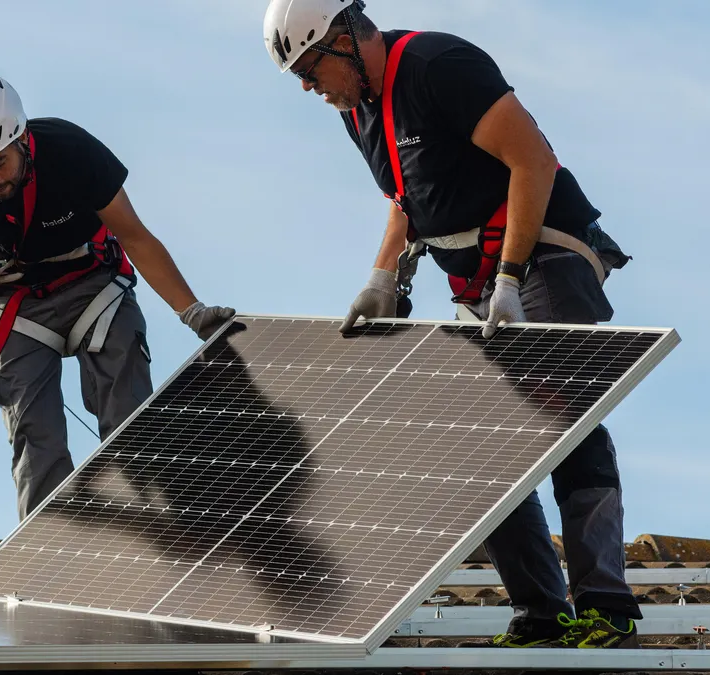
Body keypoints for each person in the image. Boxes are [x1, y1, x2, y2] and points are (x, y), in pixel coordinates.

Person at [262, 0, 639, 649]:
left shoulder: (438, 67)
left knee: (560, 414)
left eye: (310, 66)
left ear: (347, 37)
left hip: (544, 253)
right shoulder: (358, 110)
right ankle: (542, 613)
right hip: (480, 282)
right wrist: (385, 279)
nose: (307, 86)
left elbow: (533, 161)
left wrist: (513, 278)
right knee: (474, 446)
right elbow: (404, 201)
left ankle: (605, 605)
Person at [0, 74, 234, 520]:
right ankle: (52, 552)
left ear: (23, 140)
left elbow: (135, 236)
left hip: (92, 285)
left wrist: (192, 311)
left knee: (130, 416)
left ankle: (161, 518)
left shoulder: (71, 152)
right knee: (34, 436)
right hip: (17, 304)